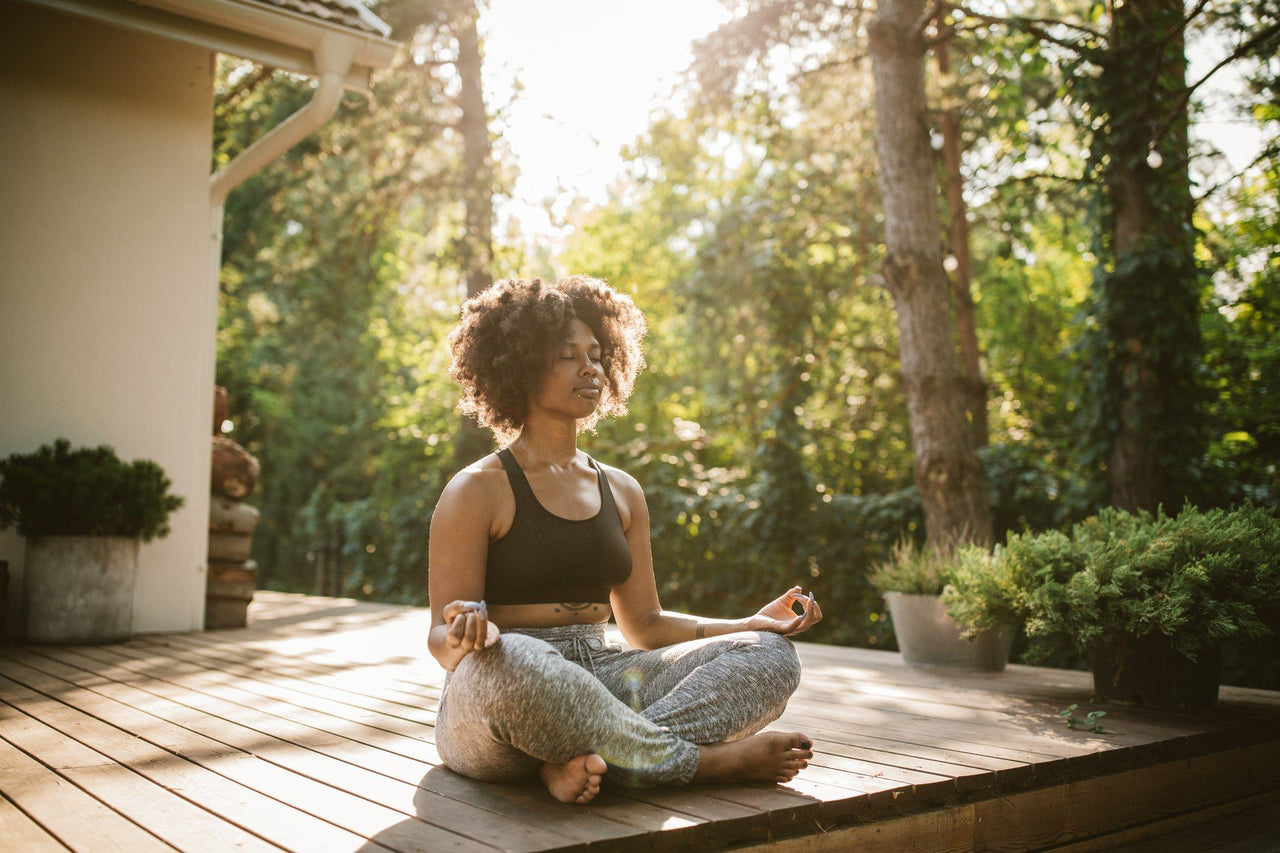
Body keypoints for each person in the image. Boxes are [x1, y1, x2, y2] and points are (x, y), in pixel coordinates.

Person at [428, 275, 822, 805]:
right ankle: (700, 765)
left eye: (595, 353)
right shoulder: (475, 490)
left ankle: (588, 762)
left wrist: (749, 624)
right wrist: (461, 637)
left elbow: (645, 626)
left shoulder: (622, 490)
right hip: (500, 691)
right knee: (519, 658)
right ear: (519, 367)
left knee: (770, 656)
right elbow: (439, 639)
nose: (589, 367)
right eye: (567, 355)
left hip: (604, 673)